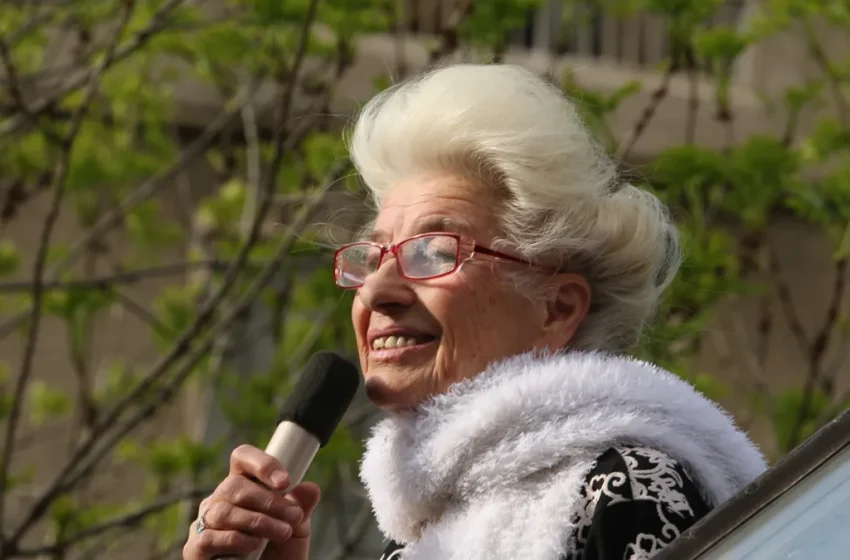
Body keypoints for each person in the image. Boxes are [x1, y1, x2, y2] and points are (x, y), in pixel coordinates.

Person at [183, 63, 766, 560]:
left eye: (434, 252)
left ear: (556, 307)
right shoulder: (416, 545)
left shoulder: (629, 489)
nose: (378, 289)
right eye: (373, 255)